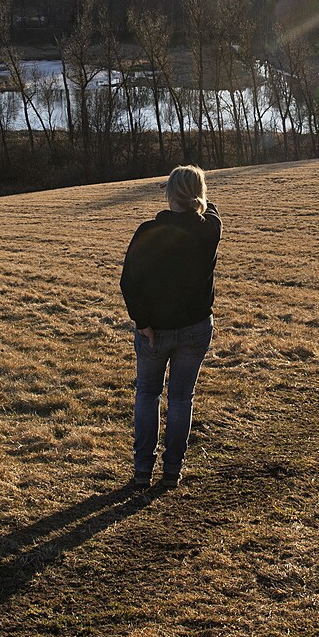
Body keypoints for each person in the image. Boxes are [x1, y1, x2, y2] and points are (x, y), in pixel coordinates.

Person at [119, 165, 222, 488]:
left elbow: (128, 282)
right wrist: (200, 197)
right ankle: (172, 470)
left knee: (147, 394)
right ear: (199, 194)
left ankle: (142, 471)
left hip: (154, 331)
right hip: (195, 328)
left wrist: (143, 322)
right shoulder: (211, 228)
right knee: (181, 398)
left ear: (168, 194)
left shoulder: (148, 231)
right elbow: (212, 210)